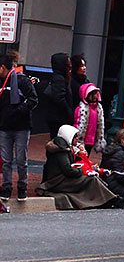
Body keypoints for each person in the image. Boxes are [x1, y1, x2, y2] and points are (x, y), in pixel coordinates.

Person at [36, 125, 116, 209]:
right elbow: (68, 170)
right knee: (90, 179)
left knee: (93, 177)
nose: (77, 139)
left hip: (61, 178)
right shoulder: (61, 151)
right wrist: (81, 170)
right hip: (57, 181)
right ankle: (109, 200)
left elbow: (70, 163)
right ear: (69, 137)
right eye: (75, 137)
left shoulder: (65, 148)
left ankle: (110, 199)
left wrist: (79, 156)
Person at [0, 51, 38, 202]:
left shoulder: (22, 81)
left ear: (2, 67)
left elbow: (33, 99)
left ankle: (22, 187)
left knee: (21, 159)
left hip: (21, 126)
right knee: (6, 159)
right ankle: (7, 187)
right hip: (4, 126)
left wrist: (18, 111)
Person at [42, 52, 73, 139]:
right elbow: (59, 98)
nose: (70, 64)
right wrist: (68, 112)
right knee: (59, 141)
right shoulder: (59, 79)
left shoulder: (57, 77)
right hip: (59, 118)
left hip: (56, 117)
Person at [73, 83, 107, 161]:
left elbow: (99, 124)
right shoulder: (81, 109)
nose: (95, 96)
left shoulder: (98, 108)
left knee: (87, 155)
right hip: (83, 138)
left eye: (96, 94)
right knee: (79, 156)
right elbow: (77, 123)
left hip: (92, 137)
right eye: (93, 94)